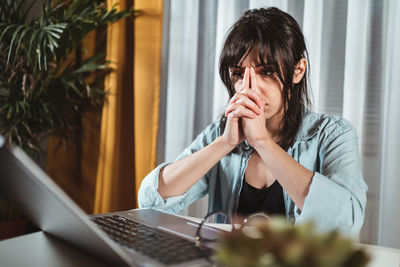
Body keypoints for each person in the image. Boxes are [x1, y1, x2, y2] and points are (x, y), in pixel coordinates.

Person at [138, 7, 367, 237]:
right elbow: (151, 201)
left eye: (266, 71)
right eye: (239, 74)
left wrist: (263, 142)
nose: (250, 88)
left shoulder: (332, 135)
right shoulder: (222, 133)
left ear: (298, 70)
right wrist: (224, 144)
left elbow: (346, 224)